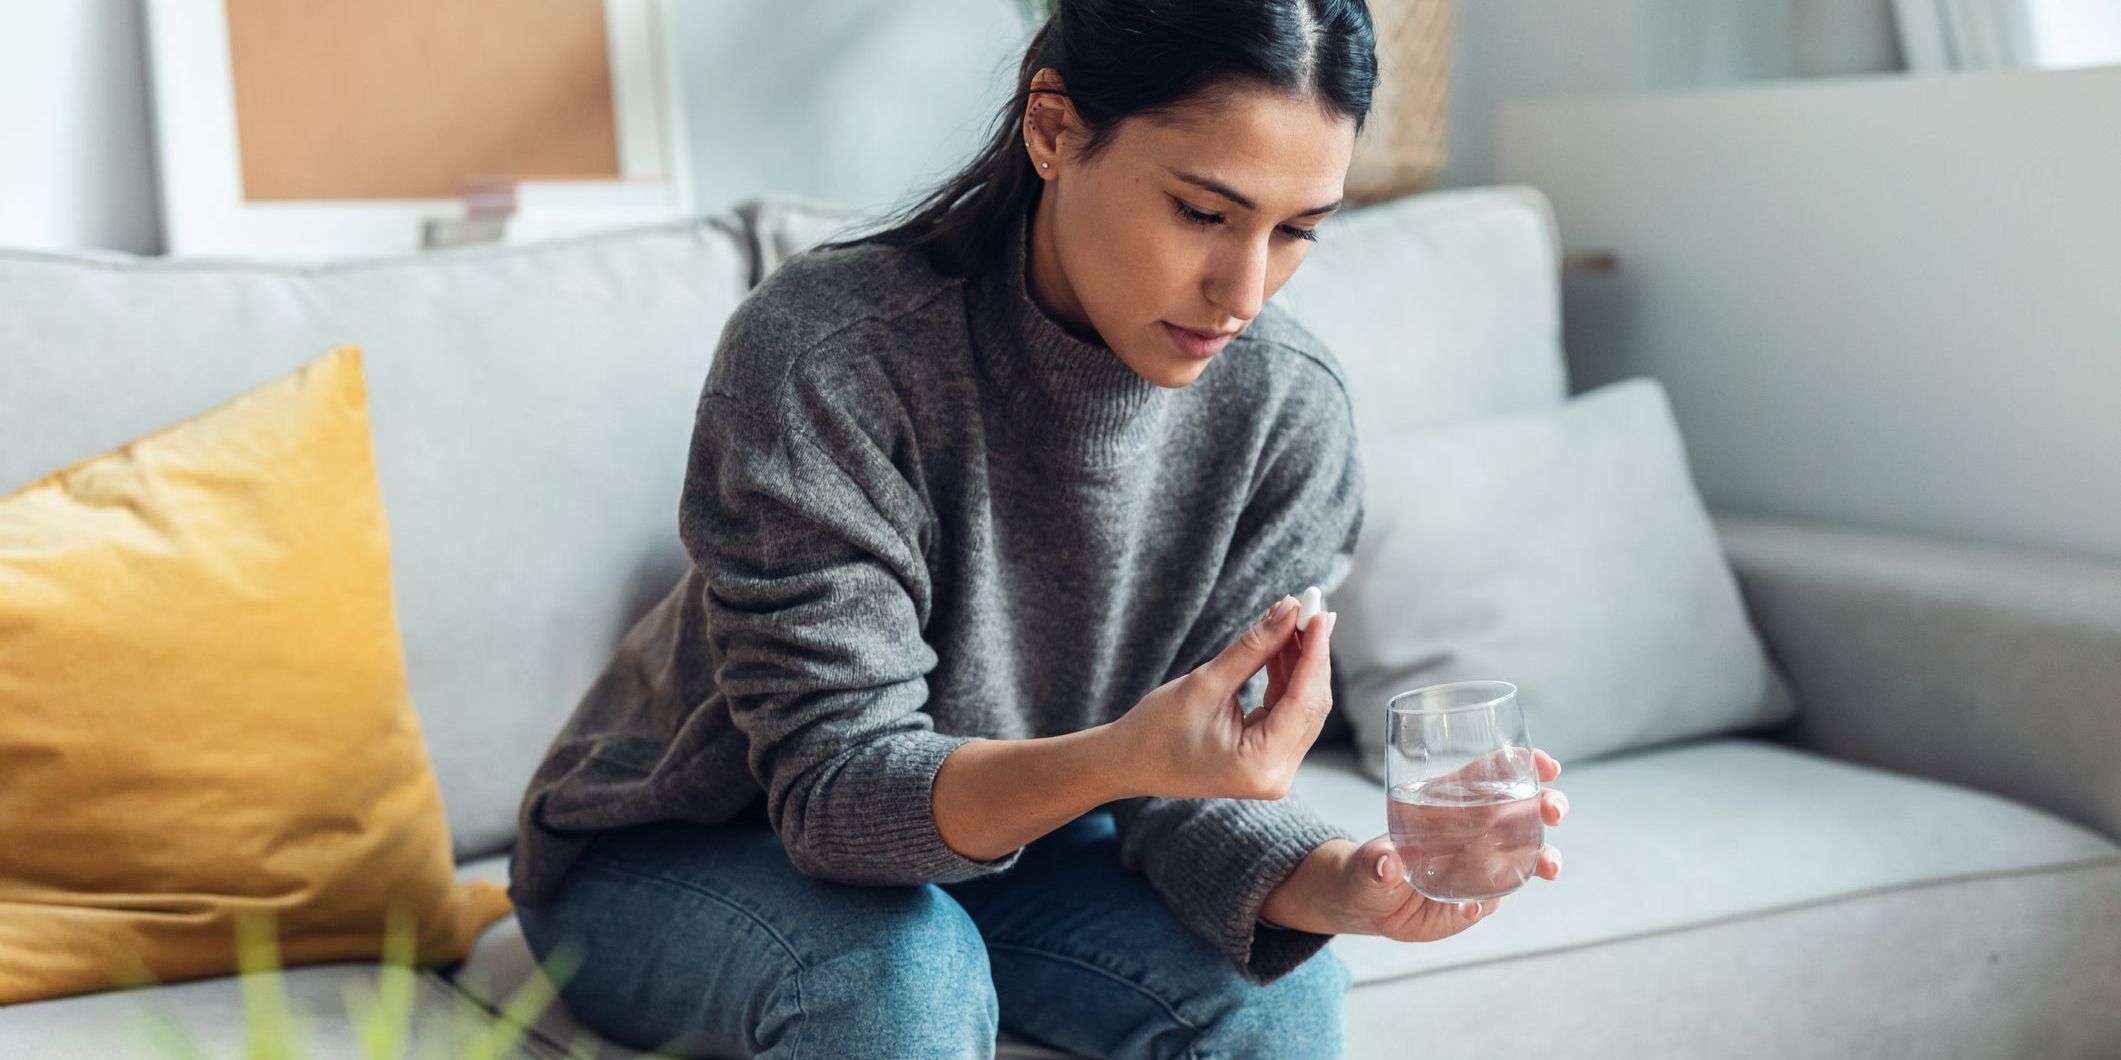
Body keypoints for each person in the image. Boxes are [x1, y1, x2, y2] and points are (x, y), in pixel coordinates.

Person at [505, 0, 1569, 1056]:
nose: (1244, 291)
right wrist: (1119, 758)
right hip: (683, 845)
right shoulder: (828, 357)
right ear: (1055, 129)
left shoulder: (1287, 415)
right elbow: (833, 796)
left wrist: (1355, 881)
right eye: (1204, 211)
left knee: (1282, 997)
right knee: (898, 978)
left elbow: (1188, 792)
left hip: (1019, 851)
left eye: (1295, 230)